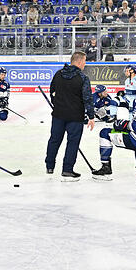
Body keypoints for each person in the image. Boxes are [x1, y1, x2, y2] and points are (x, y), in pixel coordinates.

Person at [45, 51, 95, 180]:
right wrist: (91, 116)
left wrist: (57, 104)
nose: (85, 64)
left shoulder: (59, 74)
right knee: (72, 143)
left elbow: (52, 91)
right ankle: (67, 169)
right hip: (75, 117)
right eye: (84, 61)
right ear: (78, 62)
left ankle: (49, 166)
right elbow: (87, 98)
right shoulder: (83, 78)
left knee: (54, 140)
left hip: (58, 115)